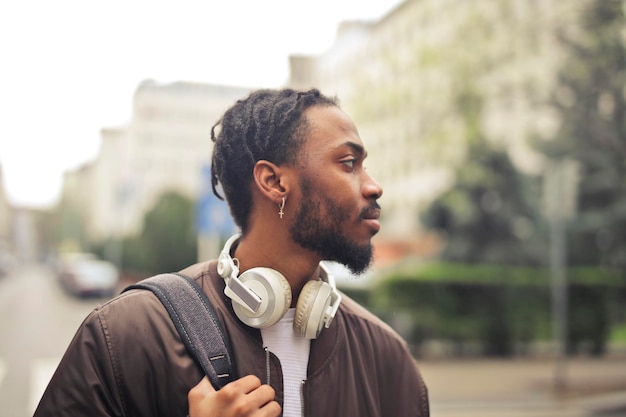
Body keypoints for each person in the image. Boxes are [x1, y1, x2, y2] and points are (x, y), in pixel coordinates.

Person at [34, 88, 430, 417]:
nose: (374, 186)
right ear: (274, 182)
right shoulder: (127, 335)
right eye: (348, 163)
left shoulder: (387, 361)